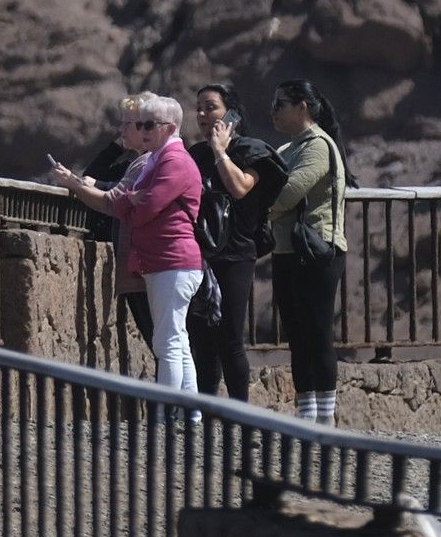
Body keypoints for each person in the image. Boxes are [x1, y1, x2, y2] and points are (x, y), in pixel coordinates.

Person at [53, 94, 203, 412]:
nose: (142, 130)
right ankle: (192, 414)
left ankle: (165, 415)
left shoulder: (174, 161)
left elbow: (142, 209)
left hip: (172, 260)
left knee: (168, 343)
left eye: (149, 124)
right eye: (141, 124)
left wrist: (133, 203)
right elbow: (126, 202)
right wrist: (132, 201)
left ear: (170, 127)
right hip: (163, 260)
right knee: (177, 340)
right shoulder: (157, 160)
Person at [187, 84, 287, 402]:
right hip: (201, 254)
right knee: (201, 337)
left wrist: (220, 151)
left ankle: (239, 412)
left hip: (235, 254)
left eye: (211, 107)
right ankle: (205, 409)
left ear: (231, 113)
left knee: (230, 336)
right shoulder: (195, 155)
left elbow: (240, 187)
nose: (203, 114)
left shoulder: (251, 151)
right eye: (199, 108)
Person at [267, 79, 356, 426]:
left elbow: (288, 192)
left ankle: (326, 415)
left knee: (317, 333)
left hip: (317, 252)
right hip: (288, 250)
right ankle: (307, 412)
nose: (273, 112)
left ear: (302, 106)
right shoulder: (291, 147)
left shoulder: (317, 146)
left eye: (280, 104)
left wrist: (258, 208)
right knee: (296, 332)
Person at [77, 91, 157, 353]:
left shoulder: (153, 162)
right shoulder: (132, 159)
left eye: (128, 123)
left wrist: (94, 185)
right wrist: (120, 143)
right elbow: (92, 176)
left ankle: (177, 395)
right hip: (137, 262)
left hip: (150, 263)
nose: (121, 128)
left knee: (163, 343)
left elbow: (118, 195)